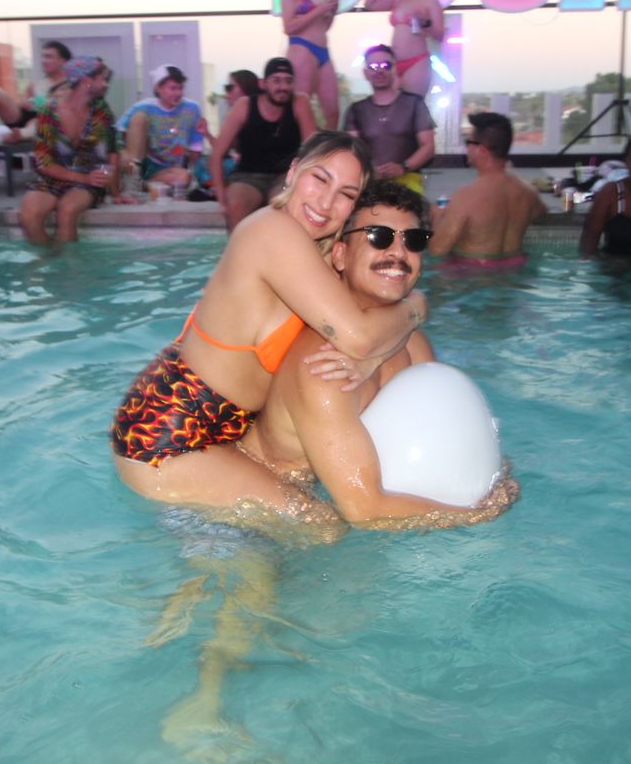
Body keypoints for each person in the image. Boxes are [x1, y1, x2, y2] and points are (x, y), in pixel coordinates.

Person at [111, 131, 427, 528]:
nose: (326, 202)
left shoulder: (319, 253)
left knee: (278, 535)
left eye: (346, 194)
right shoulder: (272, 231)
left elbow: (375, 324)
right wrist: (416, 306)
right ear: (294, 172)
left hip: (224, 433)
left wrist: (381, 348)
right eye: (320, 179)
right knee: (321, 526)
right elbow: (361, 337)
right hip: (164, 435)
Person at [231, 180, 519, 529]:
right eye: (379, 236)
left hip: (325, 500)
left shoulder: (413, 343)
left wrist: (494, 472)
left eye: (413, 240)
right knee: (324, 535)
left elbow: (443, 426)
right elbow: (365, 510)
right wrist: (478, 514)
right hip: (254, 518)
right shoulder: (323, 367)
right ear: (340, 255)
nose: (398, 253)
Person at [19, 55, 129, 244]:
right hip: (53, 178)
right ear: (86, 81)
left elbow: (112, 151)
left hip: (89, 180)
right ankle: (48, 259)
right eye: (102, 79)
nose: (106, 85)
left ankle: (66, 262)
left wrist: (115, 193)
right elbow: (43, 163)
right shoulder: (48, 113)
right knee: (29, 215)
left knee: (67, 210)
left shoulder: (101, 110)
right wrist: (83, 178)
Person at [208, 57, 316, 231]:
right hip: (247, 176)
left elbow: (313, 151)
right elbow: (216, 154)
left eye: (288, 81)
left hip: (285, 175)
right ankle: (239, 248)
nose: (283, 87)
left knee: (282, 203)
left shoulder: (299, 103)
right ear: (263, 83)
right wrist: (222, 198)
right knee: (235, 203)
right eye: (276, 81)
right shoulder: (244, 106)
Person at [428, 111, 546, 270]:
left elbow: (437, 250)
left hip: (472, 273)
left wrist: (437, 218)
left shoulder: (466, 196)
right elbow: (541, 214)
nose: (466, 147)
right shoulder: (528, 192)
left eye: (468, 142)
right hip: (515, 269)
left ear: (482, 150)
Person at [341, 44, 435, 192]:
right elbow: (350, 150)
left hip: (409, 185)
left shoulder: (414, 103)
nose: (379, 71)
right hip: (369, 185)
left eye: (385, 65)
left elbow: (428, 146)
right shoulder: (357, 110)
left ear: (395, 69)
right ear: (365, 73)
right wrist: (369, 170)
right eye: (373, 66)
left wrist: (403, 167)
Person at [278, 0, 341, 129]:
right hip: (302, 48)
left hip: (322, 49)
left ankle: (327, 145)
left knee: (333, 112)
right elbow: (288, 26)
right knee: (301, 108)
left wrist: (330, 12)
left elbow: (322, 26)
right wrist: (320, 10)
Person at [361, 0, 446, 98]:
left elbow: (440, 35)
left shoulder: (430, 2)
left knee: (412, 104)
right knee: (390, 103)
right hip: (394, 63)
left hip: (417, 62)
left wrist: (425, 22)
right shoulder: (398, 0)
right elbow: (370, 4)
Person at [119, 64, 206, 194]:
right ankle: (134, 178)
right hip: (143, 162)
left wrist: (194, 169)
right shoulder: (143, 107)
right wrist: (123, 153)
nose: (178, 93)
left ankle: (145, 185)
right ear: (158, 88)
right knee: (139, 118)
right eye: (173, 88)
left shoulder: (192, 108)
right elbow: (118, 133)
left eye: (181, 88)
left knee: (184, 178)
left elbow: (196, 146)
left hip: (169, 169)